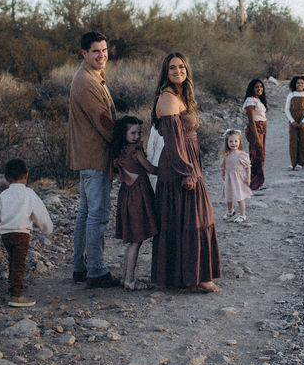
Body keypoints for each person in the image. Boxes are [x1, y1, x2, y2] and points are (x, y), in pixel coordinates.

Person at [151, 52, 222, 293]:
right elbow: (172, 140)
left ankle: (186, 276)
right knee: (195, 218)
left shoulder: (181, 95)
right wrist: (187, 171)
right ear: (166, 72)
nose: (178, 71)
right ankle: (198, 277)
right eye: (172, 68)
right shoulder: (168, 98)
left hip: (188, 163)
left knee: (187, 218)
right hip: (177, 166)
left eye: (181, 67)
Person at [67, 31, 121, 288]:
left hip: (89, 156)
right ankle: (96, 271)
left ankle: (81, 267)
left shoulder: (91, 76)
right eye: (96, 51)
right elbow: (105, 123)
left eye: (104, 50)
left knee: (86, 213)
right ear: (84, 54)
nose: (102, 55)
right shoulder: (87, 82)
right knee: (96, 215)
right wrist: (125, 147)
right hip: (94, 156)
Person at [0, 158, 54, 307]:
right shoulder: (29, 193)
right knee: (19, 263)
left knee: (13, 260)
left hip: (5, 234)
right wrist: (47, 229)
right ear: (26, 175)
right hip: (21, 234)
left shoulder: (3, 195)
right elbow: (41, 215)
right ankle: (16, 295)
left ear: (6, 178)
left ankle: (13, 286)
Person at [110, 115, 159, 291]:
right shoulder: (135, 152)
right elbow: (151, 169)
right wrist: (168, 170)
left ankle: (126, 277)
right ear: (124, 134)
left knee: (133, 240)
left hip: (128, 196)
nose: (137, 136)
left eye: (139, 133)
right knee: (136, 241)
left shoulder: (121, 151)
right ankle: (130, 280)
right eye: (133, 133)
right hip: (138, 196)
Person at [283, 75, 304, 170]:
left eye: (302, 83)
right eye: (298, 83)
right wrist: (292, 121)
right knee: (293, 141)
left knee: (303, 141)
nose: (299, 85)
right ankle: (293, 162)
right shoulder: (291, 95)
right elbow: (286, 109)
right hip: (293, 121)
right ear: (294, 84)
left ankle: (301, 163)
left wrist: (303, 121)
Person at [220, 128, 251, 223]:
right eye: (231, 141)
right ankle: (230, 211)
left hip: (238, 180)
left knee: (239, 198)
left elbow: (248, 167)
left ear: (239, 142)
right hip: (229, 180)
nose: (233, 143)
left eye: (236, 141)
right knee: (229, 197)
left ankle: (242, 215)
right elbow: (223, 166)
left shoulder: (242, 155)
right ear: (227, 143)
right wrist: (223, 174)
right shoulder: (226, 155)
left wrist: (248, 178)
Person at [242, 78, 268, 190]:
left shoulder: (258, 100)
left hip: (262, 128)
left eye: (261, 87)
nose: (259, 89)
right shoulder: (250, 101)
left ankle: (258, 182)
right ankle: (253, 183)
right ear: (252, 88)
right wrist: (256, 136)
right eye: (257, 87)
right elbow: (251, 121)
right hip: (255, 129)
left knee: (261, 155)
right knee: (256, 156)